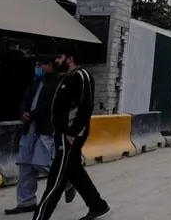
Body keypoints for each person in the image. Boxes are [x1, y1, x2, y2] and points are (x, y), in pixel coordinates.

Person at [32, 47, 110, 220]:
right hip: (61, 133)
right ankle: (98, 205)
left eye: (59, 57)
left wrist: (73, 131)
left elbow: (86, 107)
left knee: (56, 179)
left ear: (70, 59)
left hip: (71, 136)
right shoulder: (66, 77)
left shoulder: (82, 77)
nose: (56, 61)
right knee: (74, 171)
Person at [5, 56, 75, 215]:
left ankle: (67, 181)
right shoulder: (36, 82)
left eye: (40, 65)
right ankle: (26, 201)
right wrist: (23, 113)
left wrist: (33, 114)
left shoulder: (57, 83)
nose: (37, 68)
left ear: (50, 65)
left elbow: (50, 105)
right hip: (29, 128)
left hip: (45, 129)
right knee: (25, 165)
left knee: (40, 163)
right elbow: (25, 99)